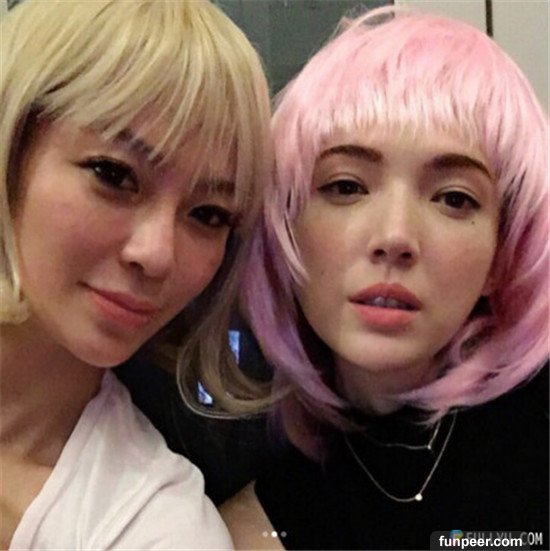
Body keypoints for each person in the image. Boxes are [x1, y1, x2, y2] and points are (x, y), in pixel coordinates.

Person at [221, 6, 549, 550]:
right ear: (284, 226)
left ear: (501, 254)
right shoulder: (250, 525)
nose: (395, 236)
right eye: (346, 186)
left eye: (453, 198)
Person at [0, 0, 271, 549]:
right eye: (114, 174)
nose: (157, 254)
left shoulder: (158, 524)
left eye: (208, 215)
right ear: (12, 152)